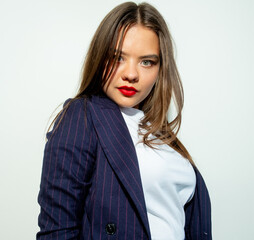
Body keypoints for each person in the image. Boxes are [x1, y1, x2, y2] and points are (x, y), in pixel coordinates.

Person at [37, 2, 211, 239]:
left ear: (160, 69)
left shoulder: (163, 137)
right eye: (118, 58)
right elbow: (57, 231)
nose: (131, 74)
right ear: (100, 58)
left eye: (146, 61)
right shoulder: (84, 116)